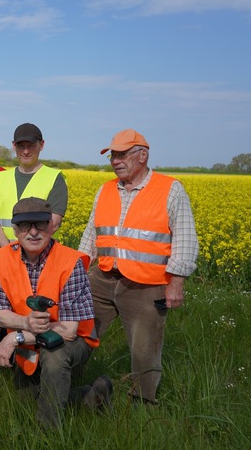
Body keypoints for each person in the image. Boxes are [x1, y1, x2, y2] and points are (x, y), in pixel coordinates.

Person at [78, 129, 199, 405]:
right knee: (79, 330)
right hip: (103, 278)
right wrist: (78, 271)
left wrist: (176, 283)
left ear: (142, 155)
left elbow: (185, 238)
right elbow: (91, 235)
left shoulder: (170, 189)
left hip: (147, 284)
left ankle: (142, 403)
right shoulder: (106, 189)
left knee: (144, 348)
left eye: (122, 154)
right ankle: (67, 381)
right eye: (113, 155)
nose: (115, 161)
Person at [0, 197, 112, 429]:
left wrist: (16, 336)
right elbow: (0, 314)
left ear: (51, 226)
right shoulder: (1, 258)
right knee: (28, 401)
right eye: (25, 226)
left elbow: (68, 330)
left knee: (53, 358)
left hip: (73, 340)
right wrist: (25, 322)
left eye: (41, 225)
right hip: (32, 338)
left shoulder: (70, 261)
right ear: (15, 230)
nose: (33, 232)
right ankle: (94, 393)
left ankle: (48, 432)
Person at [0, 123, 67, 248]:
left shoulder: (55, 178)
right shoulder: (0, 178)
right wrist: (9, 251)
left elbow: (54, 223)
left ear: (41, 145)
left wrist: (25, 253)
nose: (25, 151)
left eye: (31, 146)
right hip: (4, 255)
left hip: (40, 258)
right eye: (21, 146)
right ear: (14, 146)